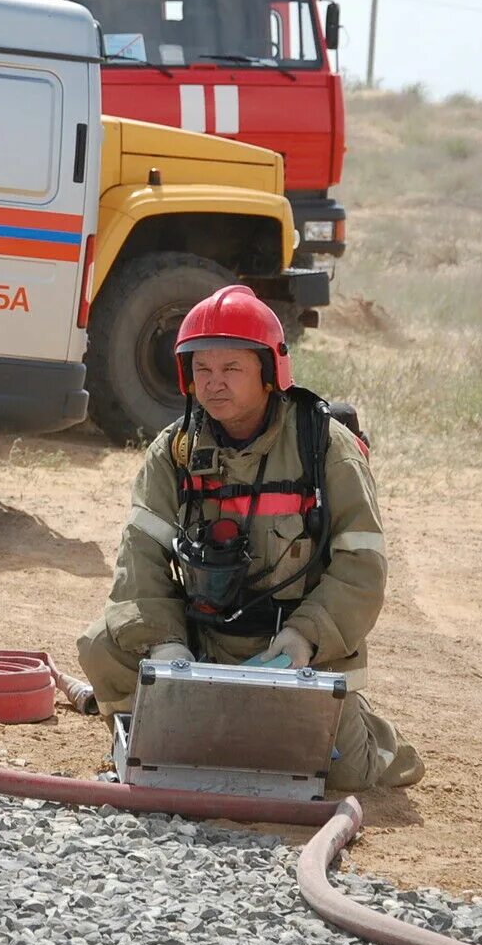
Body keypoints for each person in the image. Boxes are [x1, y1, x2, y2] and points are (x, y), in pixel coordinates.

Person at [74, 284, 423, 791]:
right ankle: (151, 741)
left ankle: (374, 738)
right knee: (102, 645)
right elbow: (140, 561)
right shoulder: (173, 452)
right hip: (202, 642)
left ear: (269, 372)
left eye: (231, 369)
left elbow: (362, 568)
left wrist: (305, 638)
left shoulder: (326, 447)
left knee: (345, 776)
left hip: (294, 652)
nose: (214, 384)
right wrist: (167, 651)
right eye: (202, 370)